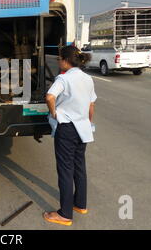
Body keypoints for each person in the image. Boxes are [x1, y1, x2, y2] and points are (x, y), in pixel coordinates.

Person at [43, 45, 97, 226]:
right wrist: (87, 123)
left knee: (65, 170)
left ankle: (65, 214)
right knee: (79, 167)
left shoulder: (64, 79)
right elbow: (91, 105)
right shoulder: (88, 79)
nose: (58, 62)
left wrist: (54, 114)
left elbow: (50, 96)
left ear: (66, 61)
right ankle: (80, 204)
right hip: (83, 128)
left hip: (67, 128)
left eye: (59, 59)